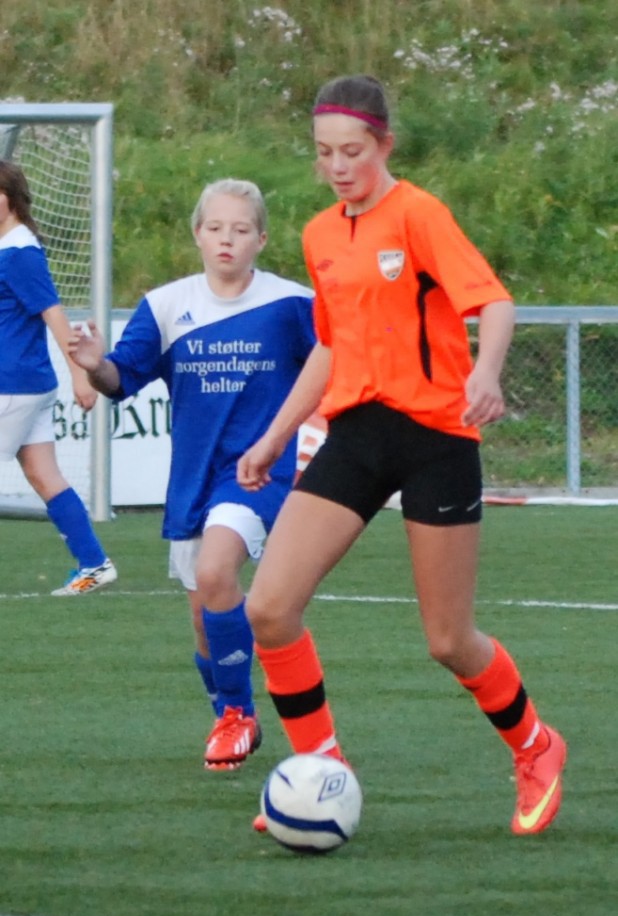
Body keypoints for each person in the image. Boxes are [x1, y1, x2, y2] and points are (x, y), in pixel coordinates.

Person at [238, 74, 567, 836]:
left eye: (352, 151)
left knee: (448, 640)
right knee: (269, 607)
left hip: (436, 439)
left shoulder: (418, 214)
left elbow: (495, 302)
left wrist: (486, 372)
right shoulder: (320, 235)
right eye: (324, 152)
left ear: (384, 144)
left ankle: (536, 745)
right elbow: (330, 346)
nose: (338, 166)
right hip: (357, 435)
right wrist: (275, 435)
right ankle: (323, 771)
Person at [69, 178, 316, 769]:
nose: (227, 239)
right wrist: (95, 365)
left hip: (257, 474)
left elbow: (338, 365)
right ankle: (230, 713)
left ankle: (238, 717)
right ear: (197, 235)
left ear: (261, 239)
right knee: (206, 620)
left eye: (240, 229)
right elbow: (119, 380)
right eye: (215, 227)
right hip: (192, 481)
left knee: (214, 571)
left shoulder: (292, 304)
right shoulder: (165, 305)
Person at [0, 160, 117, 596]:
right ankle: (94, 564)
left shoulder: (19, 253)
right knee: (44, 476)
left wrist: (81, 376)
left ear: (11, 199)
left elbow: (54, 315)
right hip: (27, 384)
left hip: (12, 384)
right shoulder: (12, 247)